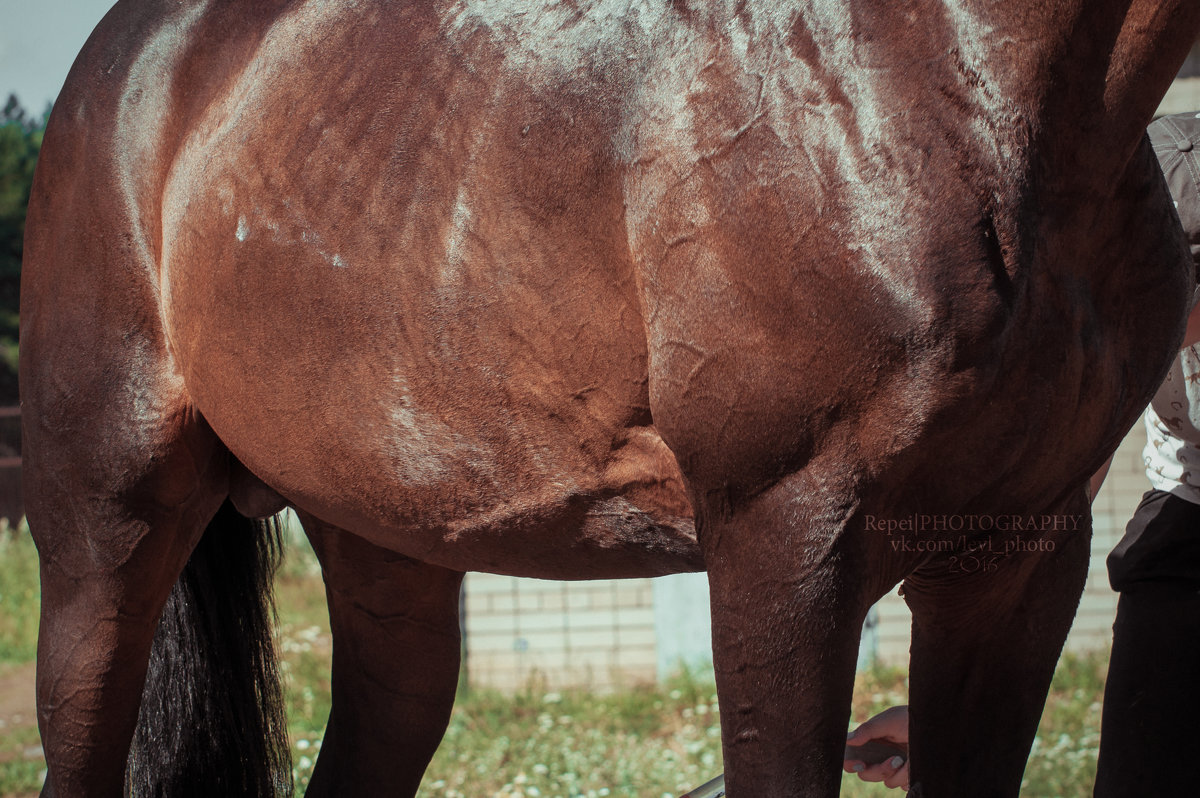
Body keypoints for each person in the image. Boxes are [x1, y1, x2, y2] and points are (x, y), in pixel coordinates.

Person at [842, 111, 1200, 795]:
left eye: (1153, 283)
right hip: (1184, 529)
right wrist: (948, 716)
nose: (1115, 317)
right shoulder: (1120, 343)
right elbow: (1056, 497)